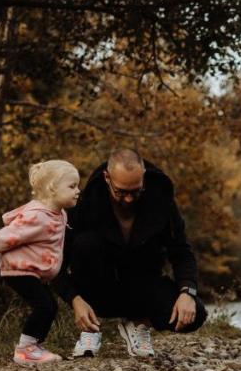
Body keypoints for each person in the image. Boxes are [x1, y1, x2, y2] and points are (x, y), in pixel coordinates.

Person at [54, 149, 206, 358]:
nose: (128, 199)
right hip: (99, 292)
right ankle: (90, 331)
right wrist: (75, 299)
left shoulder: (161, 200)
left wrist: (187, 292)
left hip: (143, 288)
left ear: (144, 176)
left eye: (135, 191)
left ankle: (138, 323)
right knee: (86, 243)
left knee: (196, 313)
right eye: (120, 192)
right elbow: (55, 263)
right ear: (107, 178)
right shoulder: (85, 203)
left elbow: (181, 251)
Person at [0, 160, 81, 365]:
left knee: (49, 306)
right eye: (72, 186)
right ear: (52, 189)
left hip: (33, 271)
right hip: (19, 270)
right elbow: (8, 235)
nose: (78, 191)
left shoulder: (59, 213)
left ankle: (33, 347)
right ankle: (25, 350)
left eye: (77, 186)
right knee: (45, 306)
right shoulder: (36, 216)